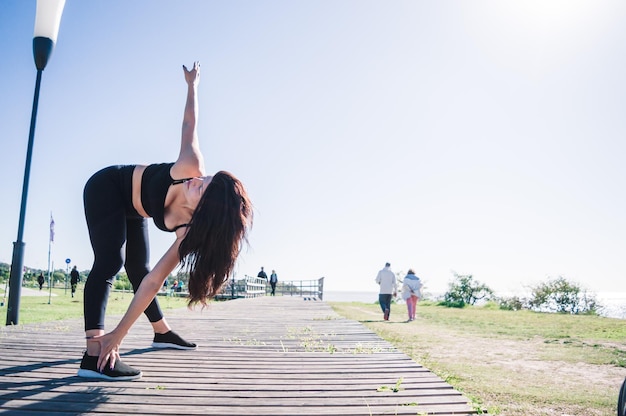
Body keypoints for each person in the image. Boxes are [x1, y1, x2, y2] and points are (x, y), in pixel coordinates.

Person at [77, 62, 253, 382]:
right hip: (106, 187)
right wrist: (192, 85)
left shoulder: (188, 231)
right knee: (109, 262)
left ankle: (161, 332)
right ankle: (93, 356)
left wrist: (120, 335)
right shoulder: (190, 166)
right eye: (205, 178)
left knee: (140, 270)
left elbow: (153, 281)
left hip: (134, 210)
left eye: (204, 188)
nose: (197, 181)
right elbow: (189, 124)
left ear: (207, 212)